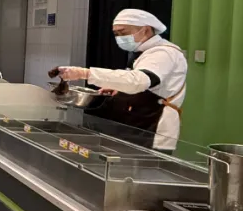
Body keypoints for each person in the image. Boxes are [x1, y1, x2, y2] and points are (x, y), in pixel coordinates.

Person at [57, 9, 187, 152]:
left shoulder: (164, 53)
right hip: (134, 124)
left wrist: (85, 73)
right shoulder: (142, 52)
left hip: (153, 128)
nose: (120, 38)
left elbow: (139, 81)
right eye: (116, 34)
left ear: (146, 30)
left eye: (123, 32)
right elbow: (138, 82)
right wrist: (118, 88)